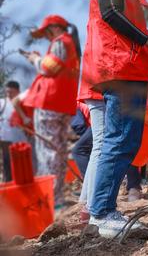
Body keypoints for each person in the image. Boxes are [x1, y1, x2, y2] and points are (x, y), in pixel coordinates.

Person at [79, 0, 148, 238]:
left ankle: (101, 211)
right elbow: (110, 14)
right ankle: (102, 213)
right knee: (118, 142)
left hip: (130, 71)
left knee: (125, 143)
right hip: (118, 71)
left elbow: (132, 36)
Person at [22, 15, 80, 208]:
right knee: (58, 150)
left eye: (46, 32)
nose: (45, 36)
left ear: (54, 28)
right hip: (61, 103)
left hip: (49, 103)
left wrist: (35, 59)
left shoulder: (61, 42)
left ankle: (48, 200)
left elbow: (49, 67)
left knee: (48, 151)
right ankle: (55, 199)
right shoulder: (69, 43)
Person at [0, 81, 28, 182]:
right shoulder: (2, 102)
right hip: (5, 138)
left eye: (11, 92)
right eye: (7, 92)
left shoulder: (23, 102)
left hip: (21, 138)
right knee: (7, 161)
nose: (9, 94)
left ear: (18, 91)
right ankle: (8, 183)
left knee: (21, 162)